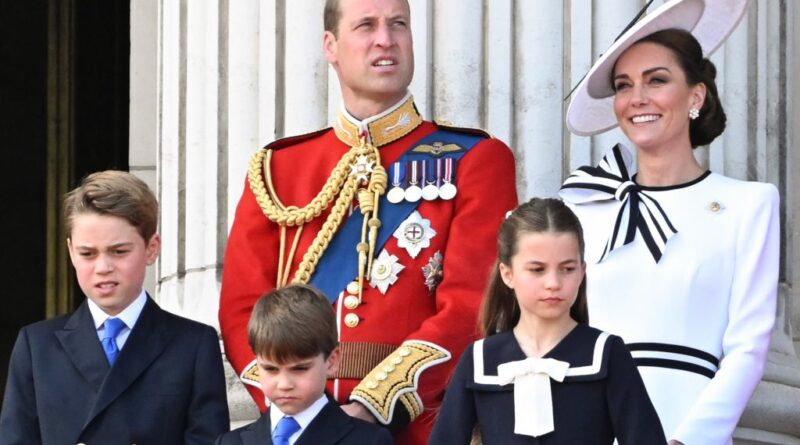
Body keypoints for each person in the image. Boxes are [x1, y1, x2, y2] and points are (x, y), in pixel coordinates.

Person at [219, 0, 517, 443]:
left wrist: (374, 404)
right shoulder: (278, 169)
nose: (386, 38)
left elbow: (473, 306)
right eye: (366, 26)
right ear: (331, 46)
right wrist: (300, 408)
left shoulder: (474, 160)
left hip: (416, 429)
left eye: (398, 24)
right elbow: (240, 310)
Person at [560, 1, 778, 444]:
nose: (636, 98)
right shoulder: (582, 207)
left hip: (689, 424)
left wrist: (688, 440)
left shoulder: (749, 204)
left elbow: (748, 348)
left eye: (656, 80)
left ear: (695, 96)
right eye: (623, 86)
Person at [0, 171, 230, 445]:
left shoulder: (193, 345)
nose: (103, 268)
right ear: (71, 251)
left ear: (151, 248)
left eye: (119, 252)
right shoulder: (36, 346)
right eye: (88, 253)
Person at [428, 198, 665, 444]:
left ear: (583, 272)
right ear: (507, 274)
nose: (553, 282)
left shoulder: (607, 354)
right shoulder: (479, 360)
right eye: (537, 270)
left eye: (567, 269)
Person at [216, 284, 393, 445]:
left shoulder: (369, 441)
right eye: (270, 369)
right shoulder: (230, 442)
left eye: (300, 369)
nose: (284, 384)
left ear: (332, 361)